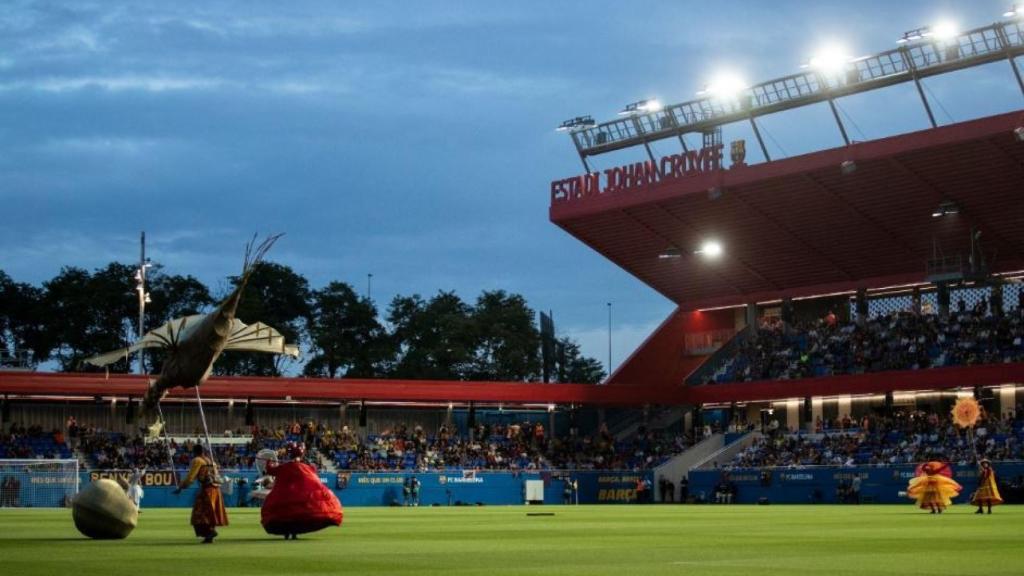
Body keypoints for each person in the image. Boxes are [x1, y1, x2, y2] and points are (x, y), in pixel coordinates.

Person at [261, 442, 343, 539]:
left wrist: (269, 462)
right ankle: (294, 534)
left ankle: (287, 534)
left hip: (286, 497)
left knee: (287, 515)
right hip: (300, 497)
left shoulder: (285, 467)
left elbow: (270, 470)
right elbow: (314, 469)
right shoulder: (306, 468)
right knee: (297, 516)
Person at [173, 444, 228, 543]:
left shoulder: (197, 461)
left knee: (198, 514)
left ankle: (209, 532)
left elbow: (191, 477)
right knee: (211, 513)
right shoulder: (211, 461)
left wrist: (181, 487)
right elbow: (217, 475)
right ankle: (209, 536)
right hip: (216, 489)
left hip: (207, 490)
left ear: (194, 452)